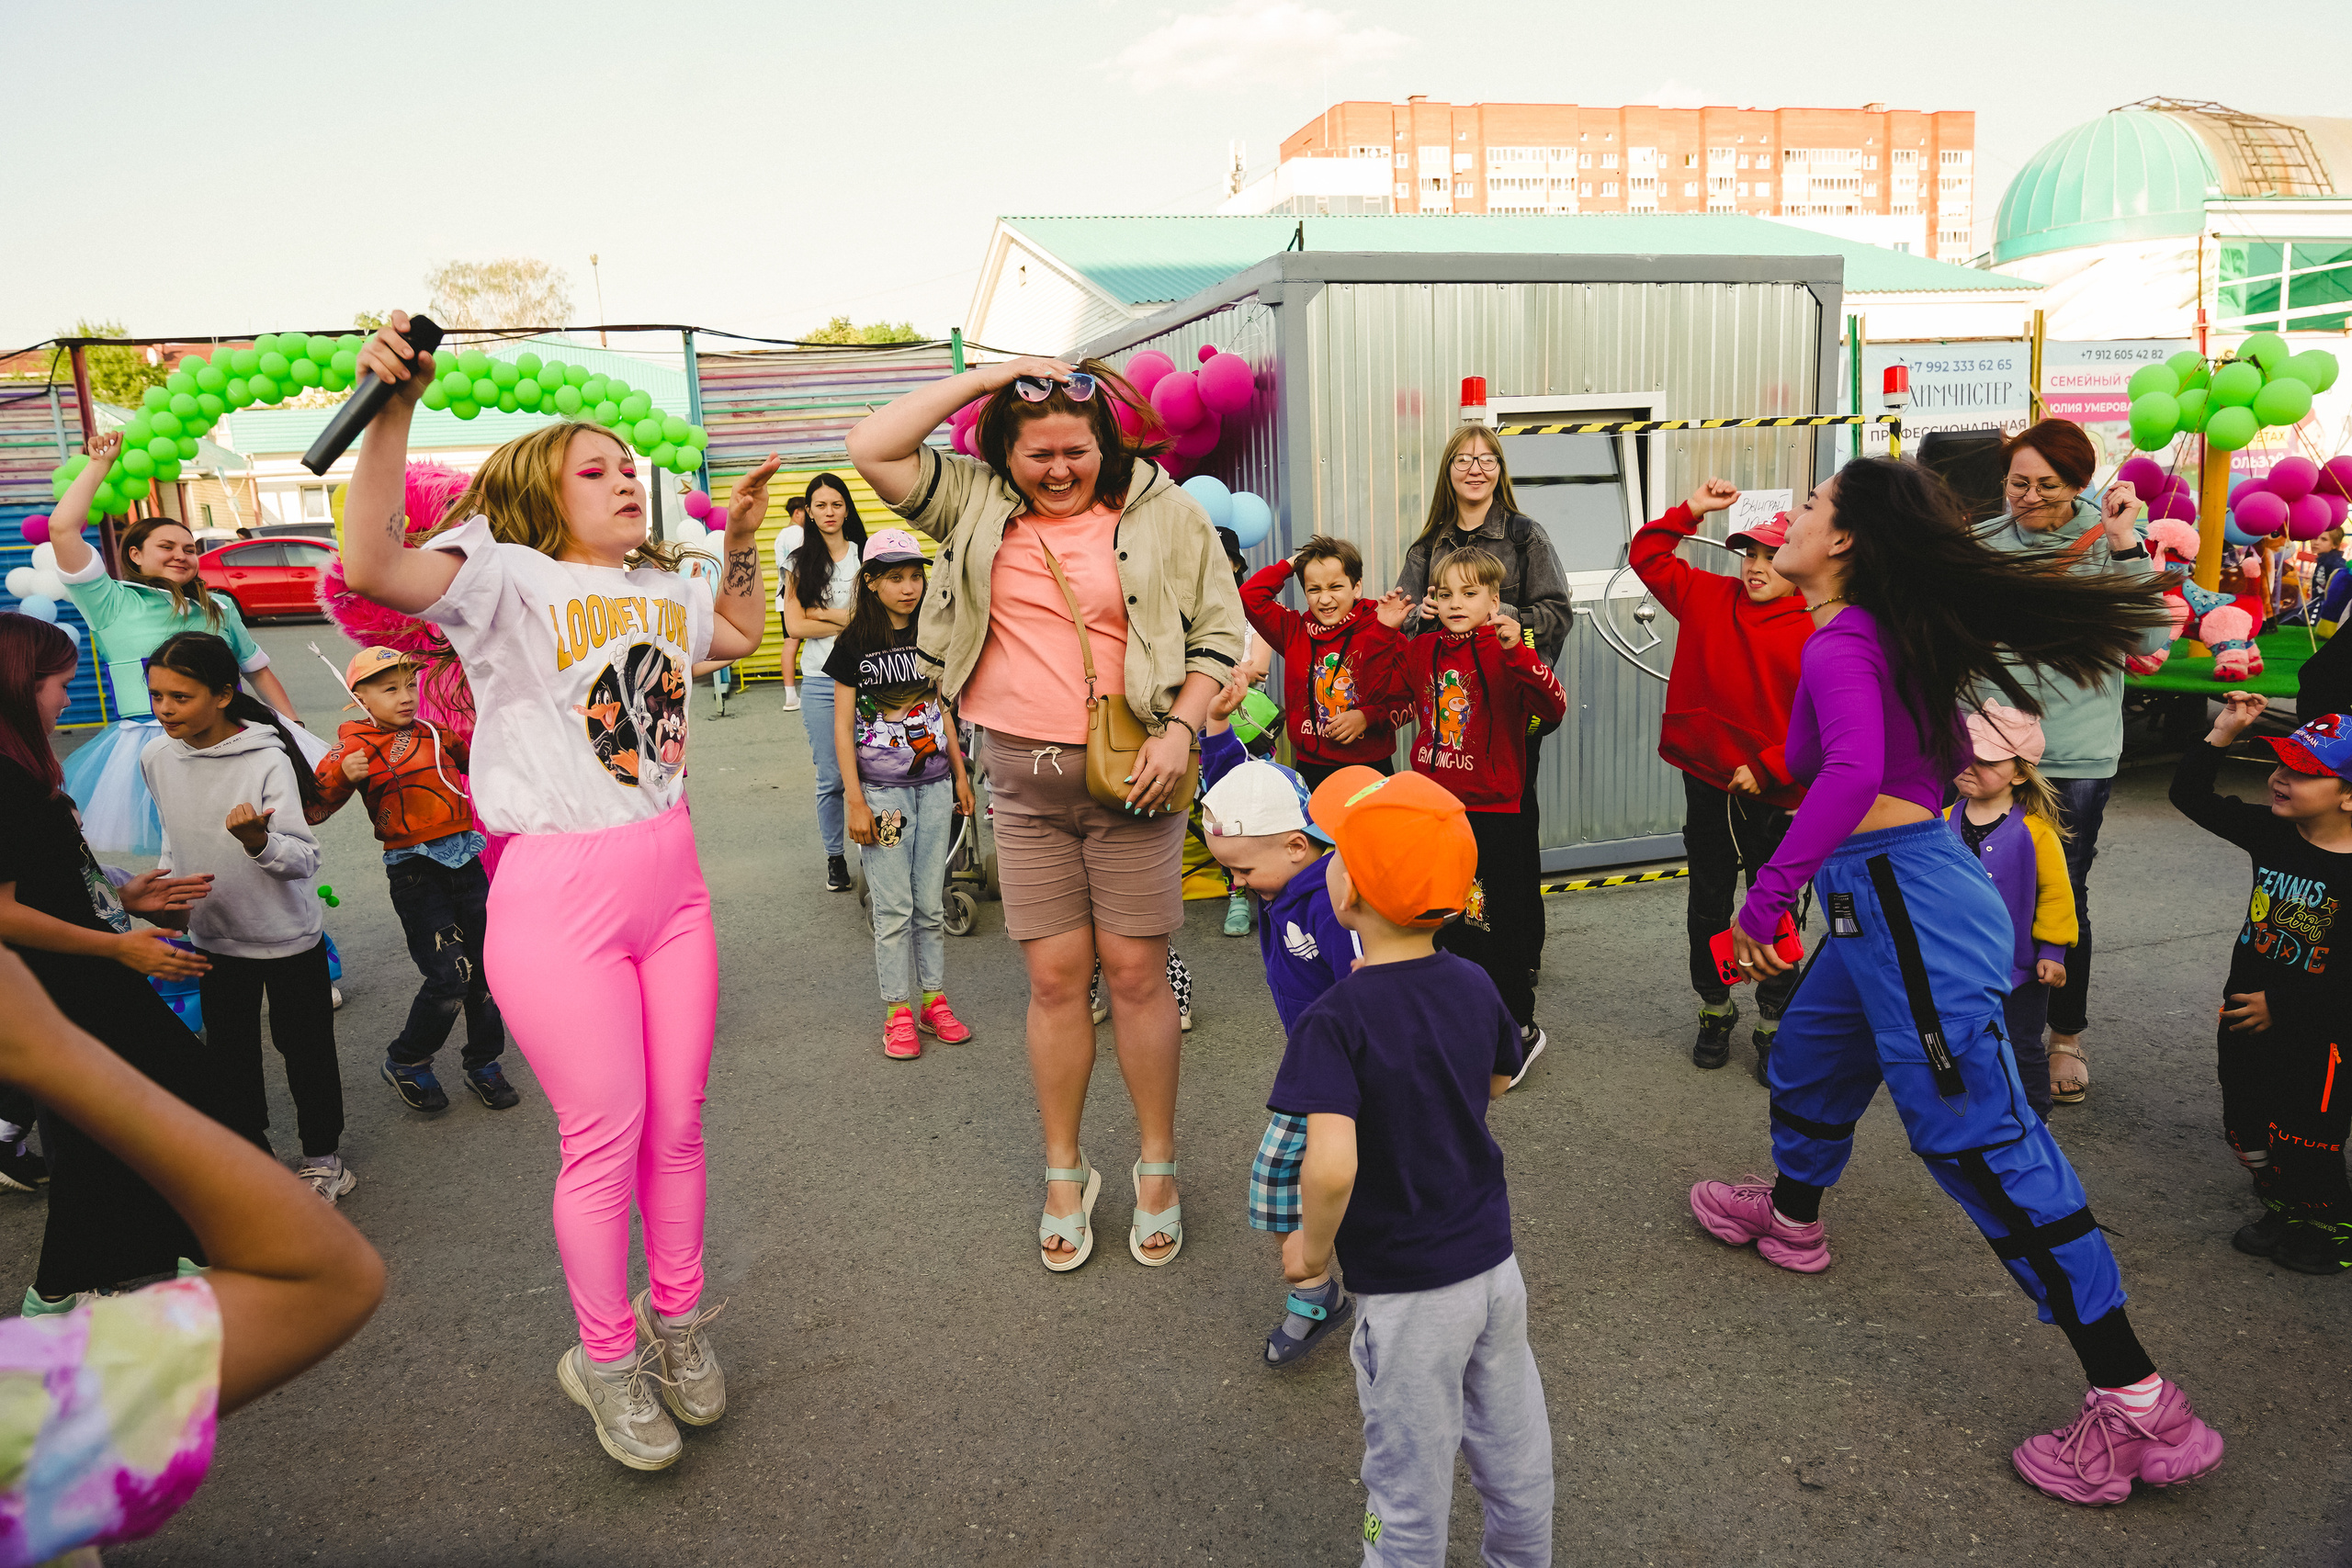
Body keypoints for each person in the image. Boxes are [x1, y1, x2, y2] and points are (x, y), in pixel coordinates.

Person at [1687, 457, 2222, 1506]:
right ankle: (1792, 1217)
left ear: (1843, 541)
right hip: (1875, 895)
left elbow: (1847, 775)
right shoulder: (1870, 632)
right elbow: (1872, 762)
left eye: (1808, 508)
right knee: (1809, 1060)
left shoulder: (1848, 635)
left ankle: (2133, 1397)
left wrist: (1764, 899)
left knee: (1976, 1140)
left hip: (1904, 903)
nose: (1786, 521)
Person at [340, 310, 778, 1470]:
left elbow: (737, 629)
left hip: (671, 884)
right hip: (556, 895)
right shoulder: (505, 578)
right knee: (605, 1138)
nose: (627, 479)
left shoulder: (659, 582)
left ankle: (677, 1325)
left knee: (678, 1128)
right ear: (544, 489)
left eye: (629, 468)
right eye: (598, 470)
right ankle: (605, 1356)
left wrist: (741, 536)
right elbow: (371, 564)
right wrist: (394, 409)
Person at [847, 355, 1243, 1273]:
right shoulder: (975, 502)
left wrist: (1182, 728)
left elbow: (1219, 634)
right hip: (1021, 785)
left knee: (1138, 979)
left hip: (1134, 778)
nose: (1059, 471)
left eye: (1077, 451)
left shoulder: (1166, 512)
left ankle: (1156, 1166)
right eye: (1038, 455)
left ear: (1106, 443)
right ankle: (1065, 1171)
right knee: (1058, 982)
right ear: (1004, 450)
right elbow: (871, 445)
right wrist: (993, 372)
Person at [0, 941, 382, 1566]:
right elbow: (331, 1279)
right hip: (93, 985)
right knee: (199, 1092)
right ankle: (132, 1267)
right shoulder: (17, 1412)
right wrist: (51, 1052)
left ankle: (147, 1263)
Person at [1275, 765, 1550, 1567]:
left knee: (1408, 1475)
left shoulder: (1335, 1019)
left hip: (1405, 1288)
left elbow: (1330, 1168)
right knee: (1514, 1448)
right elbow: (1496, 1077)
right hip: (1493, 1266)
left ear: (1350, 893)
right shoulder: (1473, 982)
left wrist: (1312, 1255)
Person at [0, 612, 261, 1314]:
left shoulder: (26, 768)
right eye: (59, 683)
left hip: (82, 974)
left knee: (123, 1123)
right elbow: (5, 910)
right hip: (63, 986)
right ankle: (61, 1290)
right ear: (22, 686)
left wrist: (127, 896)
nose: (66, 698)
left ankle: (163, 1253)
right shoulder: (6, 780)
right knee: (148, 1113)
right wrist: (118, 943)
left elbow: (56, 876)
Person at [1977, 420, 2172, 1104]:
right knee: (1980, 887)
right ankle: (1982, 1024)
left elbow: (2152, 637)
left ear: (2080, 485)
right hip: (1987, 747)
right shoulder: (1984, 545)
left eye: (2046, 485)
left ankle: (2066, 1035)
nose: (2028, 497)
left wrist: (2124, 546)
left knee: (2063, 895)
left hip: (2074, 751)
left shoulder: (2110, 544)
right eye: (2017, 482)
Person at [139, 632, 351, 1203]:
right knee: (230, 1056)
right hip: (214, 938)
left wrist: (260, 842)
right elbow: (174, 834)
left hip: (287, 938)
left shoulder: (265, 758)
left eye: (180, 697)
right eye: (157, 695)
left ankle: (324, 1158)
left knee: (305, 1049)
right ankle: (251, 1152)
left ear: (225, 694)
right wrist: (170, 893)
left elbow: (305, 858)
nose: (164, 710)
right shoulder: (156, 755)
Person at [1194, 672, 1359, 1364]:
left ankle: (1334, 1283)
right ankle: (1318, 1289)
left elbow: (1369, 990)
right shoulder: (1280, 850)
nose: (1235, 882)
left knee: (1349, 1186)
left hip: (1350, 1071)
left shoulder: (1330, 899)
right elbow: (1238, 783)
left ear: (1296, 847)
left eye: (1240, 870)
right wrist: (1214, 731)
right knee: (1278, 1182)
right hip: (1312, 1058)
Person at [48, 433, 312, 855]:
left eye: (190, 549)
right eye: (166, 547)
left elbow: (258, 670)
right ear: (134, 554)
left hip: (229, 735)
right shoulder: (112, 602)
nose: (182, 555)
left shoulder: (220, 607)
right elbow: (61, 528)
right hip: (149, 741)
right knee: (178, 849)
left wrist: (294, 727)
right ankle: (189, 920)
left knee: (248, 835)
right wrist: (100, 465)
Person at [1630, 480, 1814, 1073]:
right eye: (1749, 554)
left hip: (1782, 794)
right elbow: (1647, 556)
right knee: (1709, 898)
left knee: (1774, 902)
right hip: (1707, 779)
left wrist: (1772, 767)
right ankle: (1714, 1007)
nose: (1757, 567)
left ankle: (1773, 1018)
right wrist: (1693, 509)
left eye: (1772, 555)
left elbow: (1834, 726)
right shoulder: (1709, 595)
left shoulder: (1819, 625)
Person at [2171, 695, 2352, 1277]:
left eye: (2304, 771)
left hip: (2323, 1037)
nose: (2280, 777)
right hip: (2244, 1018)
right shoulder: (2272, 834)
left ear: (2348, 795)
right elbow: (2190, 796)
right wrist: (2221, 732)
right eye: (2280, 762)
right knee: (2247, 1126)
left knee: (2308, 1136)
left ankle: (2328, 1225)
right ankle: (2284, 1206)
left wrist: (2287, 1003)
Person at [1393, 423, 1572, 977]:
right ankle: (1460, 952)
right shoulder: (1427, 547)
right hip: (1450, 731)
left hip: (1508, 717)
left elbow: (1559, 614)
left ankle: (1521, 957)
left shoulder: (1525, 536)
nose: (1476, 468)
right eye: (1463, 460)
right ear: (1448, 474)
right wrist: (1418, 621)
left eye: (1486, 458)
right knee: (1449, 845)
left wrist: (1505, 621)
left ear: (1499, 469)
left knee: (1511, 847)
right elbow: (1405, 634)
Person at [1376, 547, 1566, 1071]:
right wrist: (1386, 633)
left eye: (1470, 592)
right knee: (1444, 922)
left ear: (1494, 599)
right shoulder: (1424, 650)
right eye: (1445, 594)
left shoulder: (1508, 645)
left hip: (1496, 814)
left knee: (1495, 927)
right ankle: (1458, 1023)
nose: (1456, 602)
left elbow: (1553, 710)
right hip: (1436, 809)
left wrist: (1519, 652)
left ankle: (1518, 1027)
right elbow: (1381, 693)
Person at [310, 646, 515, 1113]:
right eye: (389, 689)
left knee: (488, 971)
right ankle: (408, 1060)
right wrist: (342, 777)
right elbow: (314, 808)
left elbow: (480, 763)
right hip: (415, 873)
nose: (406, 697)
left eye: (409, 685)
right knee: (449, 977)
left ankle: (483, 1063)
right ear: (357, 696)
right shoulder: (351, 747)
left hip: (465, 861)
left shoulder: (434, 733)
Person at [825, 528, 976, 1060]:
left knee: (930, 901)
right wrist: (854, 799)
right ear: (871, 582)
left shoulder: (934, 635)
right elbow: (842, 729)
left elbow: (944, 710)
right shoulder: (853, 645)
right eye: (896, 578)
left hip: (934, 790)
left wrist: (959, 774)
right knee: (894, 908)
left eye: (916, 576)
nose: (909, 588)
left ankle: (933, 1000)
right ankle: (897, 1011)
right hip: (883, 798)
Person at [1942, 704, 2076, 1120]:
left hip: (2018, 971)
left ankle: (2033, 1115)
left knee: (2019, 1043)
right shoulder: (1941, 821)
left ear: (2019, 772)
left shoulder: (2035, 831)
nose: (1968, 765)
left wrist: (2053, 951)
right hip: (1953, 964)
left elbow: (2056, 895)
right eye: (1962, 753)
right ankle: (1972, 1111)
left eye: (1983, 760)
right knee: (1958, 1037)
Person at [1239, 534, 1409, 794]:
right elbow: (1250, 595)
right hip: (1310, 769)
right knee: (1315, 836)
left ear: (1357, 587)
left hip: (1370, 768)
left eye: (1335, 587)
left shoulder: (1383, 630)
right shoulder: (1293, 630)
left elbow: (1411, 702)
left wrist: (1367, 717)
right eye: (1314, 589)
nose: (1325, 599)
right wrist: (1292, 564)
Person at [782, 474, 868, 891]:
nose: (830, 512)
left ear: (846, 508)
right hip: (820, 680)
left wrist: (822, 615)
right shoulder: (799, 563)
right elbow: (795, 623)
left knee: (876, 768)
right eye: (821, 506)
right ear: (810, 512)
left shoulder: (866, 556)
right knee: (832, 776)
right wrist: (843, 618)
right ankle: (836, 858)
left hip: (869, 677)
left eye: (836, 504)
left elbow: (874, 622)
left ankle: (877, 852)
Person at [774, 493, 809, 710]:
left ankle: (791, 695)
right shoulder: (799, 534)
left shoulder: (781, 535)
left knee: (790, 643)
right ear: (798, 513)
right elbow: (802, 567)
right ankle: (795, 695)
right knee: (797, 643)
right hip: (798, 596)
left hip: (784, 596)